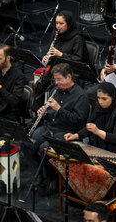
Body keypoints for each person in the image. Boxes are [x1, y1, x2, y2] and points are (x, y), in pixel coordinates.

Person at [30, 63, 89, 195]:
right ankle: (39, 174)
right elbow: (51, 112)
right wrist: (45, 113)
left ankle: (53, 179)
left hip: (67, 131)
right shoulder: (54, 91)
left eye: (59, 79)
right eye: (55, 79)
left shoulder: (81, 96)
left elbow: (79, 121)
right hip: (49, 127)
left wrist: (59, 109)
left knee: (44, 148)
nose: (56, 83)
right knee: (28, 142)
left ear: (69, 77)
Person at [33, 10, 92, 110]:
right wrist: (48, 58)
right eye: (56, 23)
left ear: (68, 24)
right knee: (39, 86)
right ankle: (37, 113)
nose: (58, 26)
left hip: (71, 73)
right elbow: (52, 54)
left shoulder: (77, 38)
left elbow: (78, 60)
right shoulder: (55, 34)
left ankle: (52, 114)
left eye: (61, 23)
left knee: (55, 90)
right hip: (56, 69)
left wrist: (60, 54)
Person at [64, 82, 116, 157]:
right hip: (101, 148)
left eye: (104, 99)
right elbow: (90, 127)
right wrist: (75, 136)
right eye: (98, 98)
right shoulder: (99, 108)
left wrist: (97, 131)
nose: (100, 102)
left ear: (112, 97)